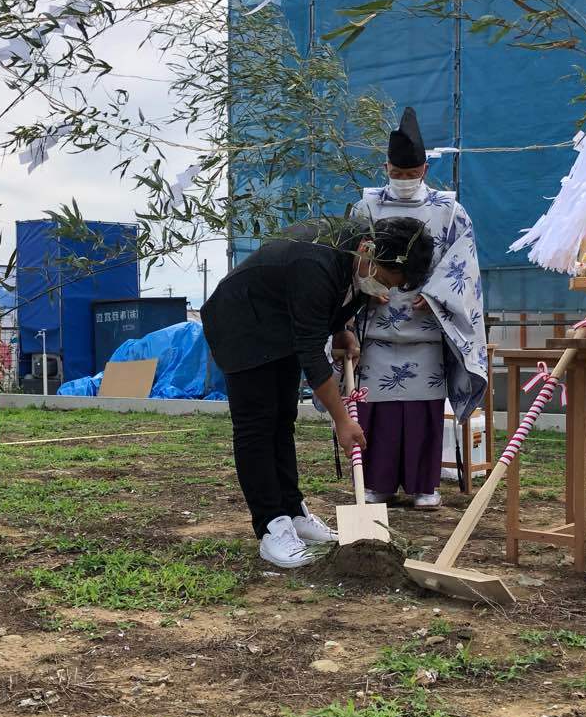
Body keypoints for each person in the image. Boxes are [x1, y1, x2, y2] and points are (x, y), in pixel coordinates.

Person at [201, 217, 435, 568]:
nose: (381, 289)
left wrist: (342, 329)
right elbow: (311, 351)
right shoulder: (316, 261)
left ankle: (293, 513)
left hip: (280, 323)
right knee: (256, 425)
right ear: (367, 249)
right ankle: (271, 526)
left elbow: (336, 300)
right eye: (383, 280)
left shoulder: (356, 257)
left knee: (282, 420)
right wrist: (342, 420)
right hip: (242, 323)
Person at [350, 107, 489, 508]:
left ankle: (423, 485)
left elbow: (463, 262)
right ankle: (377, 483)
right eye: (398, 173)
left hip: (425, 324)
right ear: (386, 166)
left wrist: (434, 296)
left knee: (422, 409)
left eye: (412, 174)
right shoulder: (366, 208)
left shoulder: (449, 211)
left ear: (425, 169)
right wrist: (363, 286)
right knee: (376, 406)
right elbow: (349, 255)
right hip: (376, 326)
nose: (405, 181)